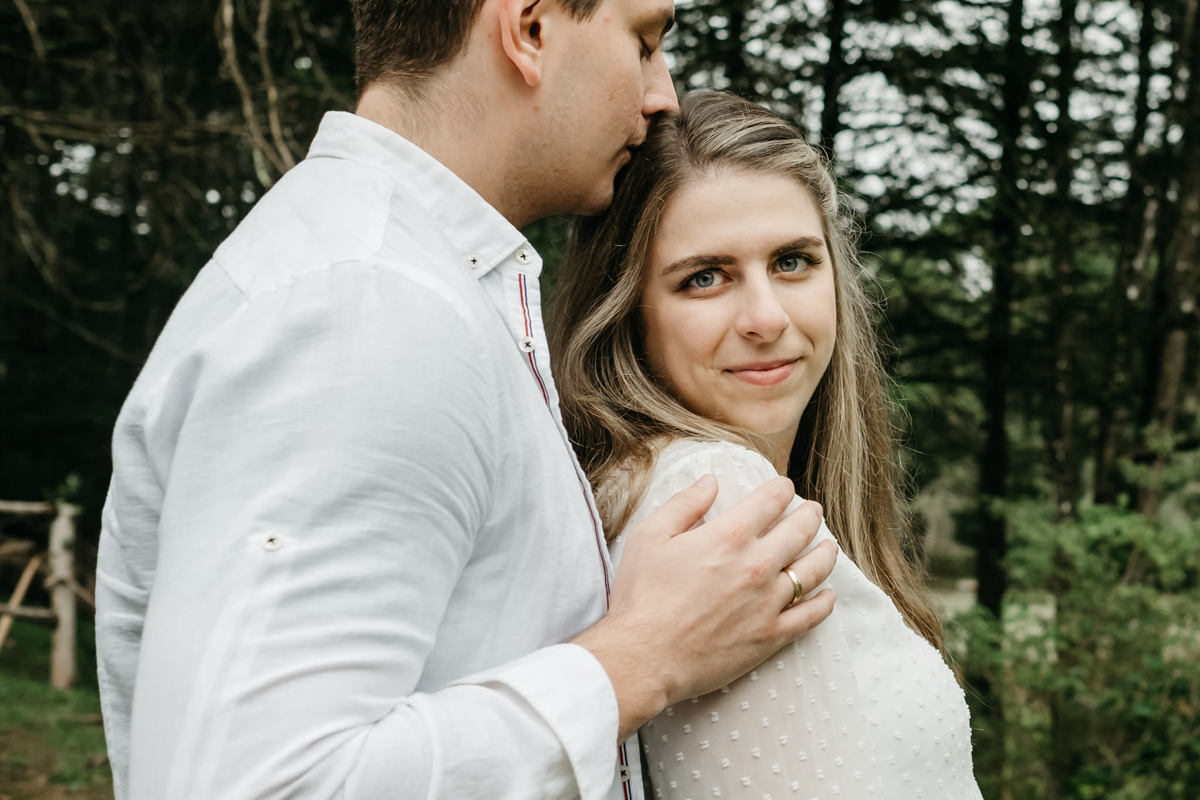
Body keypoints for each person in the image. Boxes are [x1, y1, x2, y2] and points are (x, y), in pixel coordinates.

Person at [94, 4, 841, 799]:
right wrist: (642, 658)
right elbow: (259, 786)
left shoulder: (410, 283)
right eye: (645, 43)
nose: (664, 95)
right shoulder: (365, 309)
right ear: (529, 29)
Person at [551, 90, 984, 798]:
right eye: (705, 277)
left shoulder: (688, 484)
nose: (765, 317)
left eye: (792, 262)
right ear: (629, 311)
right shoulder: (722, 500)